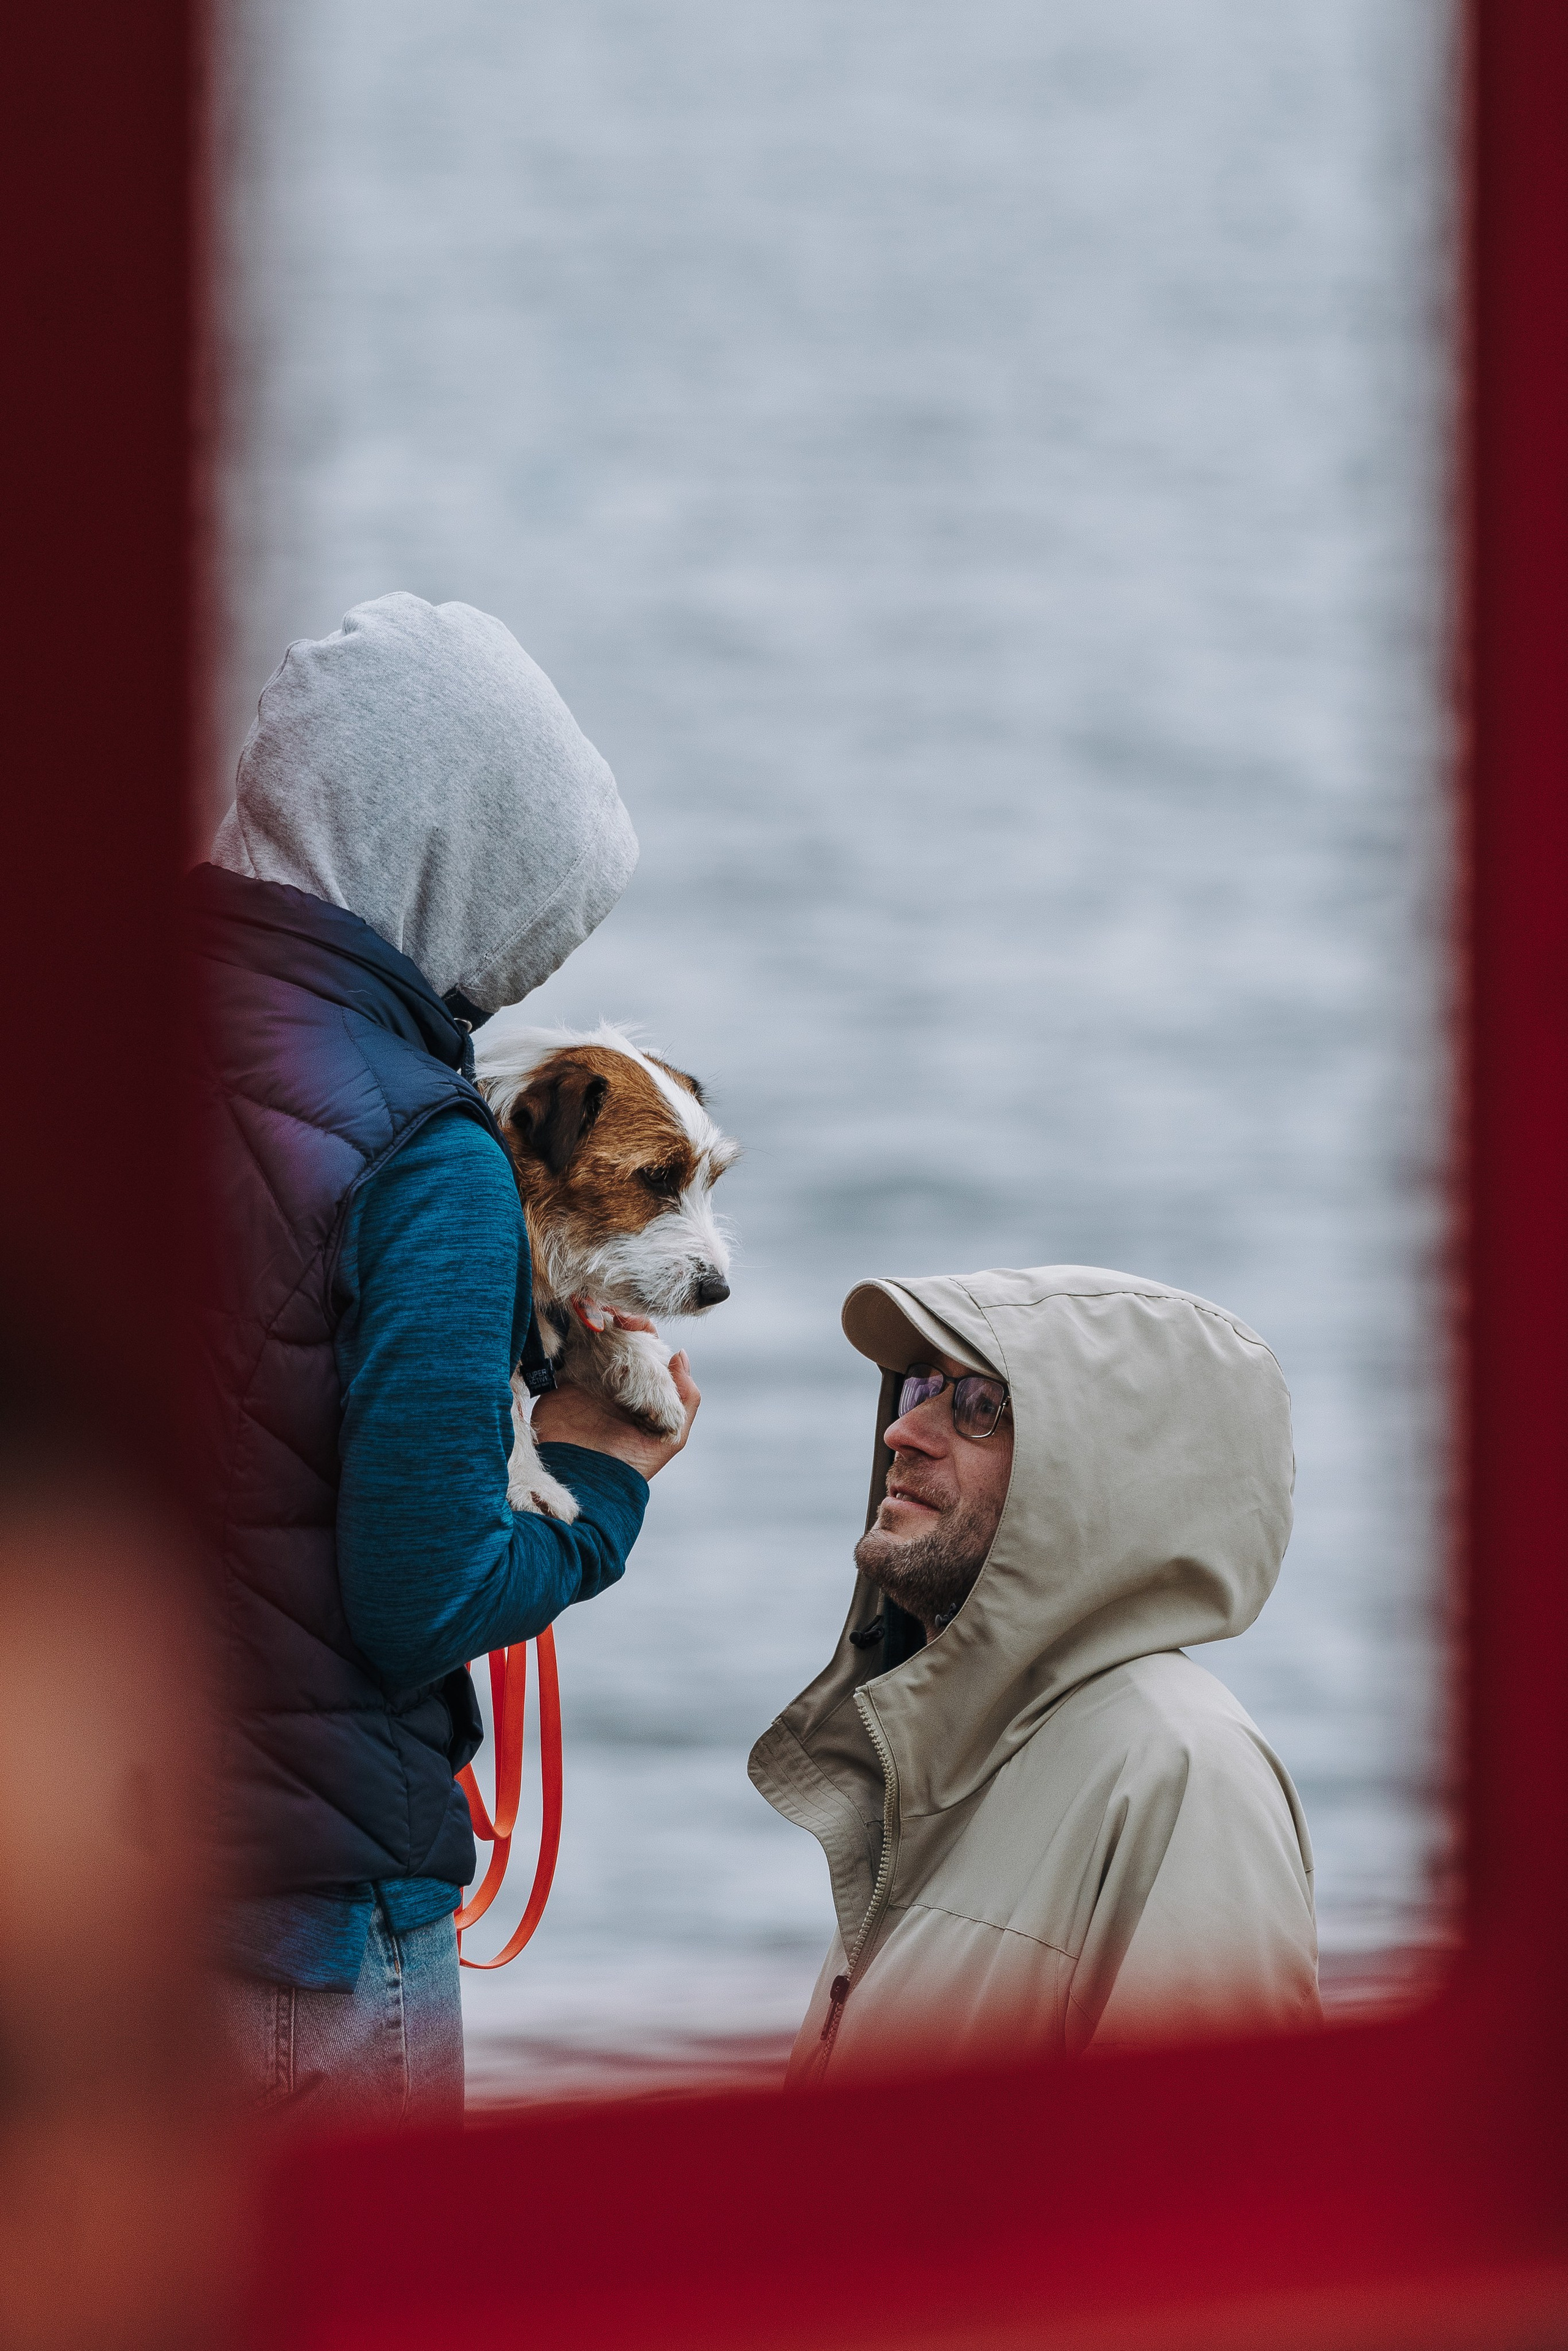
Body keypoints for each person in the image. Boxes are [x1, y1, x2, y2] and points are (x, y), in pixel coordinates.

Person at [189, 591, 698, 2130]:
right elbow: (418, 1595)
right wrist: (602, 1481)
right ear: (457, 865)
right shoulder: (429, 1154)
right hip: (304, 1926)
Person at [749, 1264, 1319, 2083]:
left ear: (1109, 1471)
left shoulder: (1183, 1770)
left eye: (980, 1405)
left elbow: (1211, 2188)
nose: (901, 1434)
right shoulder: (946, 1757)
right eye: (919, 1388)